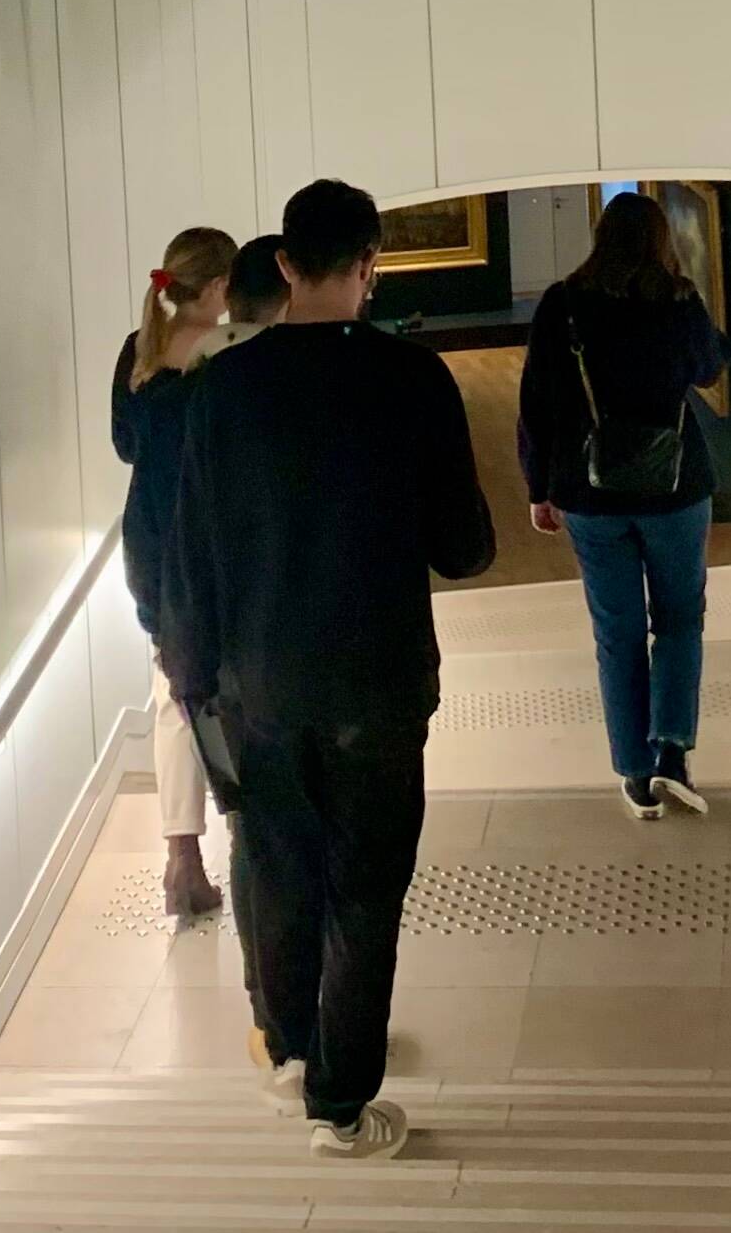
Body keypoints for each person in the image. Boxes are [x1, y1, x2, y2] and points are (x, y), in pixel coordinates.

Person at [162, 179, 492, 1161]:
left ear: (285, 264)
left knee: (280, 870)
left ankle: (292, 1052)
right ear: (369, 266)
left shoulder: (223, 388)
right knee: (365, 889)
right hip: (378, 686)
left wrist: (195, 681)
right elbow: (465, 549)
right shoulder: (414, 378)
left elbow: (191, 557)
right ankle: (341, 1105)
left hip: (259, 685)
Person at [518, 191, 730, 817]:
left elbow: (536, 402)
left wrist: (538, 487)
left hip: (589, 492)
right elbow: (710, 368)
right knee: (680, 620)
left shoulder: (562, 303)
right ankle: (672, 753)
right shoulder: (678, 299)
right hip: (675, 488)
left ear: (599, 237)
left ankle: (635, 775)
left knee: (617, 631)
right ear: (662, 242)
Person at [109, 224, 240, 924]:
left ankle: (182, 855)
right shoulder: (227, 354)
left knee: (172, 694)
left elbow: (126, 446)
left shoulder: (139, 349)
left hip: (151, 540)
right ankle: (246, 829)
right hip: (211, 540)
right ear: (218, 286)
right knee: (233, 690)